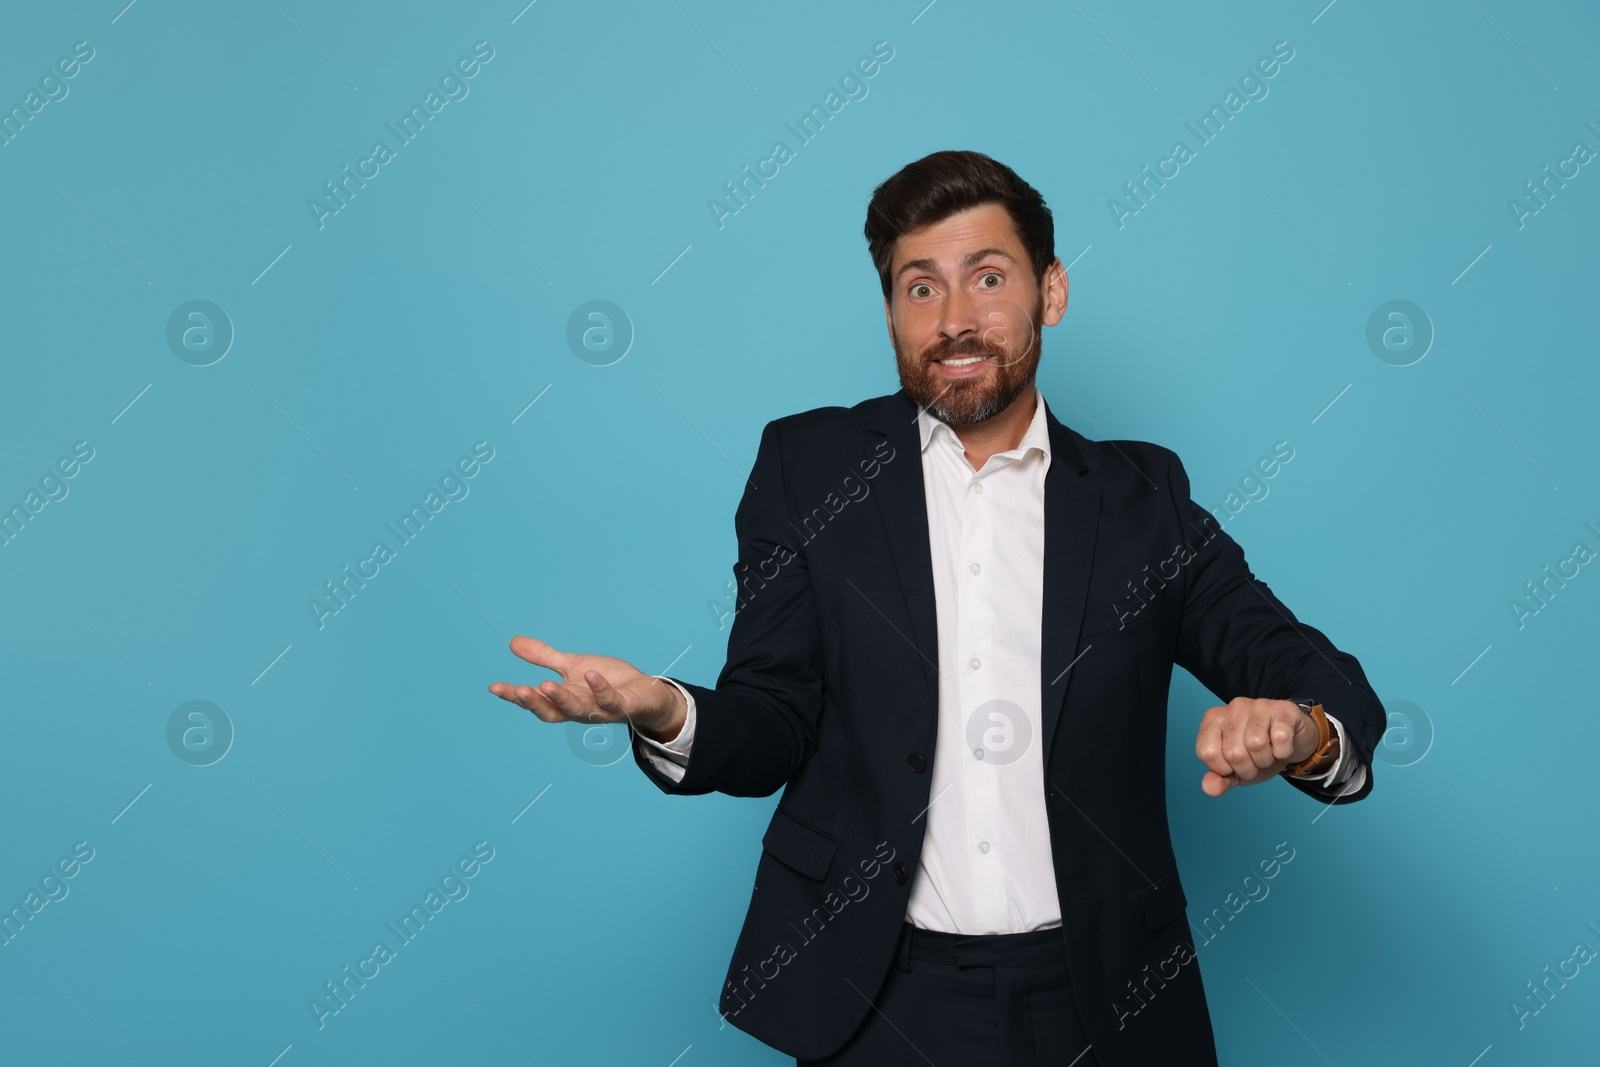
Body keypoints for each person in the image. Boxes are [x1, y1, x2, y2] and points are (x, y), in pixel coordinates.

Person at [488, 150, 1384, 1066]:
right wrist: (665, 709)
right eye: (920, 288)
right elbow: (772, 720)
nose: (955, 320)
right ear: (888, 312)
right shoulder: (810, 471)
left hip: (1107, 995)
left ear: (1052, 291)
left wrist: (1302, 733)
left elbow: (1320, 680)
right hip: (878, 1000)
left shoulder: (1142, 499)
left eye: (988, 278)